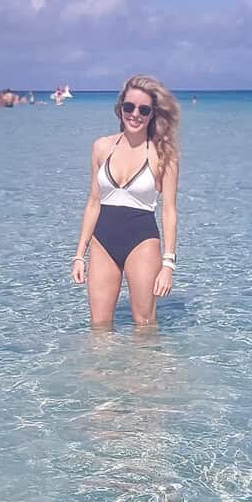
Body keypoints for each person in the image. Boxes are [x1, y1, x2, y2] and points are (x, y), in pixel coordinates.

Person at [71, 74, 180, 328]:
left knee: (144, 325)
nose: (135, 115)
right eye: (129, 107)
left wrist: (168, 264)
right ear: (120, 108)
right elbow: (93, 202)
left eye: (144, 110)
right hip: (102, 241)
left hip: (142, 241)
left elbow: (169, 212)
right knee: (99, 327)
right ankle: (101, 370)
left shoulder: (164, 155)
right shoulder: (101, 147)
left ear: (152, 114)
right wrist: (79, 255)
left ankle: (150, 369)